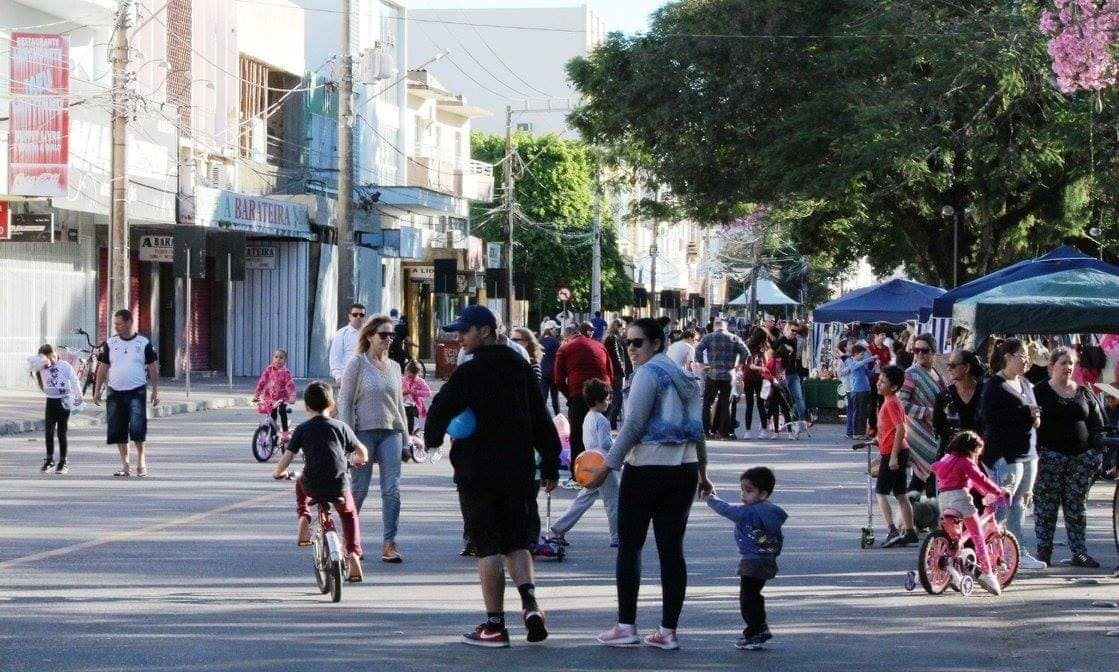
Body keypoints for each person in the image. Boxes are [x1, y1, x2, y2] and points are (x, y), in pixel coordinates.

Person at [424, 305, 561, 648]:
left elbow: (440, 408)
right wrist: (548, 465)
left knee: (488, 548)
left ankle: (495, 626)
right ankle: (530, 605)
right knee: (517, 542)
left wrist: (430, 439)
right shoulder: (521, 368)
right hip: (517, 470)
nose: (459, 337)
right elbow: (541, 418)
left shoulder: (469, 372)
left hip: (477, 472)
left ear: (485, 331)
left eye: (465, 331)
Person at [584, 317, 712, 651]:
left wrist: (605, 467)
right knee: (672, 551)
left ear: (656, 344)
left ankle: (626, 625)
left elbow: (634, 426)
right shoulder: (687, 377)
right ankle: (668, 631)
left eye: (637, 342)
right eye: (627, 343)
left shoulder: (647, 375)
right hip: (682, 470)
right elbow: (697, 429)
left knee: (630, 546)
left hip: (647, 469)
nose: (630, 349)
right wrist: (702, 471)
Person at [272, 382, 368, 583]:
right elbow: (362, 450)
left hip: (312, 484)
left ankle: (305, 518)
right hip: (338, 484)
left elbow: (287, 458)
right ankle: (353, 555)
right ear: (332, 404)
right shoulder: (342, 427)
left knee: (300, 482)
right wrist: (360, 460)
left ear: (306, 406)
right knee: (349, 514)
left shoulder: (303, 429)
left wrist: (279, 472)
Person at [338, 314, 410, 564]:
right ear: (369, 336)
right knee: (359, 489)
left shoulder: (395, 367)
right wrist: (349, 440)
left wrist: (407, 439)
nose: (388, 339)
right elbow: (344, 402)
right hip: (363, 434)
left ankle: (389, 544)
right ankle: (349, 543)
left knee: (392, 490)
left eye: (392, 335)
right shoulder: (357, 364)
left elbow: (399, 405)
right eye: (383, 335)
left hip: (391, 432)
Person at [1033, 347, 1105, 568]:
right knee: (1046, 506)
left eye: (1071, 363)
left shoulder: (1083, 392)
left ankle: (1079, 552)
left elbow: (1097, 424)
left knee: (1077, 507)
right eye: (1063, 363)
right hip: (1049, 458)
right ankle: (1044, 551)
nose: (1068, 367)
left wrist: (1095, 453)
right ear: (1051, 366)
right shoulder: (1039, 392)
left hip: (1080, 460)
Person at [705, 466, 787, 650]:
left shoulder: (749, 512)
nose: (743, 495)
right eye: (742, 489)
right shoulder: (772, 512)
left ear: (763, 494)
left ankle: (755, 629)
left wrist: (710, 497)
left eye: (748, 491)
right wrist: (773, 554)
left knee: (747, 597)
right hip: (767, 560)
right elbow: (779, 538)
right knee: (754, 594)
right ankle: (759, 626)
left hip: (751, 560)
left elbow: (726, 510)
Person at [981, 338, 1046, 570]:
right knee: (1002, 504)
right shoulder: (995, 385)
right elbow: (988, 417)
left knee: (1021, 503)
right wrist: (1022, 412)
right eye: (1022, 355)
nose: (1026, 360)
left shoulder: (1026, 383)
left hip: (1028, 451)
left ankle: (1017, 552)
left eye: (1027, 356)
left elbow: (1033, 412)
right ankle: (987, 550)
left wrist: (1034, 415)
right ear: (1007, 357)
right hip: (1005, 453)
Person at [929, 431, 1012, 595]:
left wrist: (984, 492)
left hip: (944, 498)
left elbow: (972, 482)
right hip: (960, 497)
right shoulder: (965, 461)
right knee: (978, 535)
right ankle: (988, 574)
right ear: (971, 449)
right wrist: (998, 491)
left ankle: (953, 567)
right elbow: (980, 479)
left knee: (954, 537)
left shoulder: (947, 459)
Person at [547, 379, 619, 547]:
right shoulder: (601, 420)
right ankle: (617, 536)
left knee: (583, 499)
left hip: (589, 463)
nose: (608, 402)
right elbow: (606, 444)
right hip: (602, 465)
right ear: (598, 401)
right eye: (606, 399)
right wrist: (618, 444)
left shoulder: (588, 418)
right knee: (613, 501)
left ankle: (559, 527)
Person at [92, 309, 159, 478]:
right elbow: (102, 367)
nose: (116, 327)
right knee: (118, 429)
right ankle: (125, 465)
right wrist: (97, 389)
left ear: (129, 322)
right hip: (115, 391)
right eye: (115, 324)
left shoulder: (143, 343)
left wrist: (155, 391)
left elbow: (152, 368)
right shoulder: (110, 344)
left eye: (119, 324)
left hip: (137, 391)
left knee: (137, 428)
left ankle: (141, 461)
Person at [554, 322, 613, 480]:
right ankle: (603, 470)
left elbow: (558, 380)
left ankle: (578, 475)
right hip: (603, 391)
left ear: (567, 337)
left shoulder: (565, 348)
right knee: (601, 433)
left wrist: (570, 396)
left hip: (579, 393)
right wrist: (607, 392)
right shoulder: (599, 345)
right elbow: (610, 372)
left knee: (578, 435)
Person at [897, 333, 946, 492]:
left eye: (924, 351)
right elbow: (901, 403)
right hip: (918, 434)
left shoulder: (938, 374)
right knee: (927, 476)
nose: (919, 354)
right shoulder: (911, 374)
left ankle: (913, 513)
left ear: (933, 352)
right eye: (916, 350)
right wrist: (927, 412)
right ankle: (917, 513)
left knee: (922, 480)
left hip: (935, 433)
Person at [876, 365, 918, 548]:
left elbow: (901, 428)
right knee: (901, 494)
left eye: (883, 382)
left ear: (893, 387)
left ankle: (892, 529)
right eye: (879, 380)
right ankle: (910, 531)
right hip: (896, 450)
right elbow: (891, 429)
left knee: (881, 493)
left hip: (894, 452)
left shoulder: (892, 402)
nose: (878, 384)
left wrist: (893, 456)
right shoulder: (889, 401)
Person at [29, 344, 82, 474]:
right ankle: (49, 459)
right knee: (48, 431)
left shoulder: (64, 365)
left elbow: (74, 380)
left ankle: (63, 461)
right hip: (51, 400)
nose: (50, 362)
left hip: (64, 400)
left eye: (51, 358)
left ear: (55, 354)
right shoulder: (42, 366)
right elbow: (30, 364)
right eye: (46, 359)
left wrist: (78, 395)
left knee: (61, 432)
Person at [695, 319, 749, 439]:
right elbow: (745, 351)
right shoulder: (734, 338)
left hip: (712, 373)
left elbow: (698, 349)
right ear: (726, 327)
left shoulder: (708, 337)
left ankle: (707, 431)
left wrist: (702, 364)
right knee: (726, 404)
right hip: (729, 375)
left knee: (707, 403)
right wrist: (739, 364)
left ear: (715, 327)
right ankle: (723, 431)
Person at [933, 349, 985, 458]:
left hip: (980, 457)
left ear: (966, 368)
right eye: (948, 365)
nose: (948, 369)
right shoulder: (944, 396)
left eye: (952, 365)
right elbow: (937, 427)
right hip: (951, 459)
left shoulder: (985, 393)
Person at [252, 349, 297, 441]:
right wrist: (256, 394)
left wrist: (292, 397)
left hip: (282, 398)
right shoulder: (269, 370)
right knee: (272, 415)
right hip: (270, 397)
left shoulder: (285, 372)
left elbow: (290, 385)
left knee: (282, 411)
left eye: (281, 358)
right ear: (272, 358)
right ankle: (272, 433)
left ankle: (285, 432)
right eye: (276, 357)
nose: (278, 360)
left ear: (285, 360)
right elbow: (262, 382)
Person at [774, 323, 806, 420]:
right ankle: (783, 419)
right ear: (786, 329)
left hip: (793, 373)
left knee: (799, 397)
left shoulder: (795, 340)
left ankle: (803, 419)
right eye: (793, 330)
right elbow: (771, 356)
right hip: (783, 374)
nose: (794, 333)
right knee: (784, 399)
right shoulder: (779, 341)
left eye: (796, 331)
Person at [846, 343, 879, 440]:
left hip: (865, 390)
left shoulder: (862, 364)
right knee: (858, 412)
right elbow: (855, 366)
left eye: (863, 355)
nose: (863, 357)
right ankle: (856, 432)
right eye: (861, 355)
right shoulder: (852, 362)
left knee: (863, 412)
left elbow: (868, 373)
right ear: (855, 354)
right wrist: (871, 358)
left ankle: (862, 432)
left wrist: (875, 368)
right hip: (857, 391)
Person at [742, 328, 769, 439]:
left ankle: (749, 431)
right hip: (756, 377)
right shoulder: (750, 347)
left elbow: (765, 361)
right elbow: (750, 364)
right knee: (758, 404)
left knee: (753, 404)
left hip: (751, 377)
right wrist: (762, 367)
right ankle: (762, 430)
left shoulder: (759, 347)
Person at [603, 319, 631, 429]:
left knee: (615, 400)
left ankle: (611, 423)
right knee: (617, 400)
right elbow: (616, 357)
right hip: (616, 374)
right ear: (618, 328)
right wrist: (622, 372)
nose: (623, 331)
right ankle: (611, 424)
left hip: (614, 373)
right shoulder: (613, 339)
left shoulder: (610, 338)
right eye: (622, 328)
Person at [329, 303, 366, 385]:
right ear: (350, 316)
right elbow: (335, 357)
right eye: (355, 314)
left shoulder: (370, 334)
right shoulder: (341, 334)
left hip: (366, 380)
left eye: (361, 315)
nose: (358, 317)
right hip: (347, 380)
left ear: (364, 317)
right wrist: (338, 377)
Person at [401, 361, 432, 435]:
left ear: (417, 374)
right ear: (406, 372)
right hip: (403, 404)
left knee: (411, 420)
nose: (410, 378)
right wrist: (403, 392)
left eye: (413, 377)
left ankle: (410, 434)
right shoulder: (402, 380)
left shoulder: (420, 381)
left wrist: (414, 391)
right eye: (409, 376)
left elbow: (428, 393)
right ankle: (406, 433)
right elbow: (396, 391)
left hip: (415, 406)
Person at [539, 325, 562, 415]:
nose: (556, 331)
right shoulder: (556, 342)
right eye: (555, 329)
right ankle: (558, 416)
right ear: (550, 329)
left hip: (542, 372)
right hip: (553, 373)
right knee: (555, 397)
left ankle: (541, 416)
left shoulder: (539, 341)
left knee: (543, 397)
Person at [387, 308, 410, 373]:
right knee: (400, 358)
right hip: (397, 344)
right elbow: (407, 339)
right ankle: (400, 372)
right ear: (397, 315)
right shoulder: (400, 323)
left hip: (388, 343)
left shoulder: (387, 321)